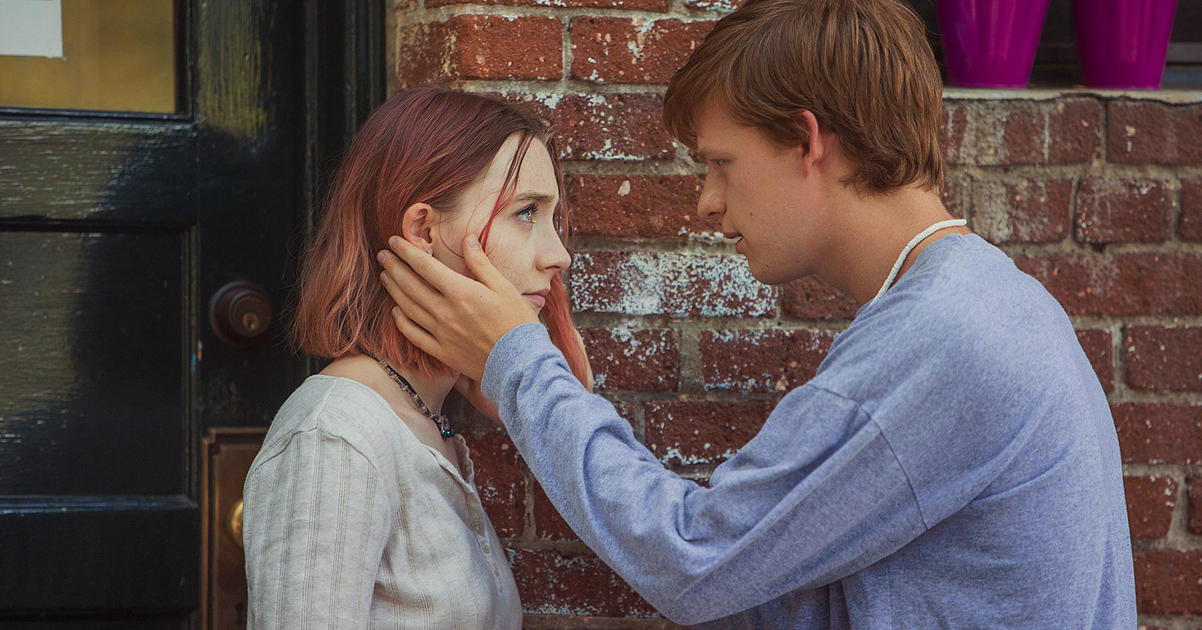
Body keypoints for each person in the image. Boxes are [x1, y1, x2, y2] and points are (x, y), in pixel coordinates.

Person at [376, 0, 1137, 627]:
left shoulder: (941, 337)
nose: (707, 201)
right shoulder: (988, 300)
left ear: (806, 140)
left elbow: (694, 560)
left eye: (721, 163)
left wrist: (520, 365)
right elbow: (769, 576)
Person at [241, 86, 591, 629]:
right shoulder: (334, 435)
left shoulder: (427, 417)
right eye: (526, 213)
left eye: (552, 218)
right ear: (424, 231)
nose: (558, 255)